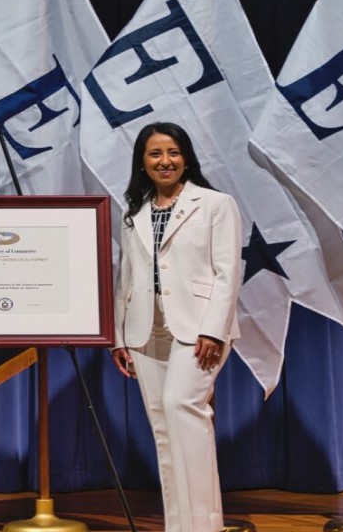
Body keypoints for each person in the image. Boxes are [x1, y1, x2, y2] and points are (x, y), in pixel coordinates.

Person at [110, 122, 242, 532]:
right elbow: (125, 279)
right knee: (164, 430)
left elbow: (227, 273)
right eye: (155, 154)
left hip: (199, 330)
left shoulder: (216, 204)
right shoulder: (134, 212)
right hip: (145, 330)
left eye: (173, 152)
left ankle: (205, 526)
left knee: (183, 408)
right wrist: (119, 336)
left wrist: (214, 330)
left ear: (185, 158)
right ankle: (179, 526)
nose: (165, 161)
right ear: (143, 163)